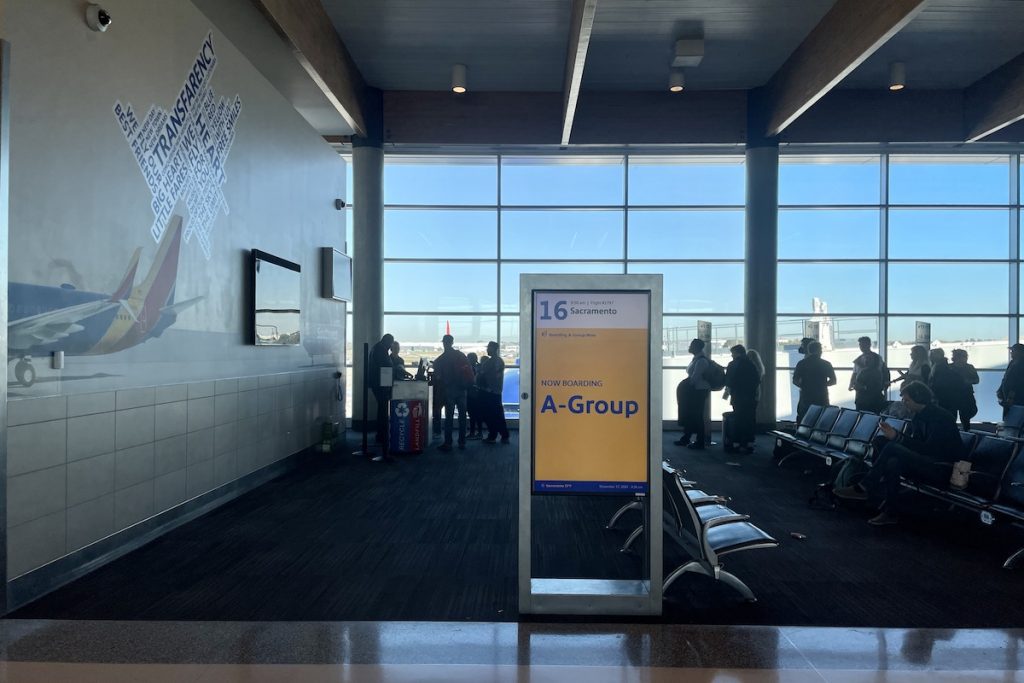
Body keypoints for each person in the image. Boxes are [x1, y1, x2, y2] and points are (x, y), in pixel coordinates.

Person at [834, 381, 965, 526]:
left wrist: (897, 437)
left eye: (907, 400)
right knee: (891, 459)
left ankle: (866, 486)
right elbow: (915, 445)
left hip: (941, 468)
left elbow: (931, 449)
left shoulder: (941, 418)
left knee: (892, 447)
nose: (904, 403)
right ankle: (890, 512)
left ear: (919, 398)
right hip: (926, 463)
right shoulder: (918, 417)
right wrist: (895, 435)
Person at [433, 334, 470, 452]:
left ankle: (448, 443)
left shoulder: (441, 359)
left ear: (444, 343)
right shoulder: (461, 355)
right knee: (462, 417)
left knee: (449, 417)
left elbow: (438, 376)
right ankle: (462, 442)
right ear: (452, 342)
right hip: (462, 389)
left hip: (449, 390)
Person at [675, 338, 710, 450]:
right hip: (696, 391)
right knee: (693, 415)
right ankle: (687, 438)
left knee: (697, 416)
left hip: (697, 392)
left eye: (691, 345)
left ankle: (699, 441)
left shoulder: (701, 361)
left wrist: (685, 387)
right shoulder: (697, 359)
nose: (689, 347)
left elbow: (695, 378)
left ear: (696, 347)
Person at [724, 344, 760, 453]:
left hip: (738, 396)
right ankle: (749, 443)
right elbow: (757, 380)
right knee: (749, 420)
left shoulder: (733, 364)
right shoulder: (752, 364)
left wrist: (727, 392)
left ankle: (737, 443)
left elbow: (729, 381)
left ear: (737, 353)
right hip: (750, 396)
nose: (731, 355)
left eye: (732, 353)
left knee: (739, 419)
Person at [792, 340, 837, 423]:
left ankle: (801, 434)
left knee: (804, 418)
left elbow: (795, 380)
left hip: (806, 396)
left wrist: (804, 386)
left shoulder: (802, 363)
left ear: (809, 350)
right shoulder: (826, 364)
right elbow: (833, 381)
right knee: (820, 420)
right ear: (820, 351)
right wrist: (822, 385)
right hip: (821, 396)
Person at [478, 341, 510, 444]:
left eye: (489, 348)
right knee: (496, 414)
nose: (487, 350)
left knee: (491, 414)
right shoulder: (498, 361)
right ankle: (502, 434)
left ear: (494, 348)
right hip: (494, 391)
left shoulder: (492, 362)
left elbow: (483, 375)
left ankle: (494, 435)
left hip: (490, 392)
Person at [369, 333, 395, 449]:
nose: (391, 347)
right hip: (380, 384)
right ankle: (382, 436)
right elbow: (385, 367)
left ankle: (381, 435)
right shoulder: (380, 350)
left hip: (378, 383)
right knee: (383, 410)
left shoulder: (378, 348)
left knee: (382, 409)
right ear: (388, 342)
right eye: (390, 344)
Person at [849, 337, 887, 413]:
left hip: (872, 391)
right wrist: (851, 383)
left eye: (863, 345)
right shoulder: (859, 358)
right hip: (861, 392)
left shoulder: (876, 358)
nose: (861, 347)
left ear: (869, 345)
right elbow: (855, 373)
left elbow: (880, 372)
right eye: (860, 345)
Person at [927, 348, 967, 418]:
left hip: (943, 396)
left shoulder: (939, 368)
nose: (930, 357)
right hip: (948, 397)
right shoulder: (943, 367)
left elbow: (938, 382)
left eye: (932, 355)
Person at [950, 349, 980, 430]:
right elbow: (976, 380)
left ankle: (964, 432)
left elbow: (976, 380)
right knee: (953, 417)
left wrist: (967, 381)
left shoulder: (950, 367)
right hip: (957, 396)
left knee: (965, 418)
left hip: (964, 396)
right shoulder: (968, 367)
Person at [997, 343, 1024, 419]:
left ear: (1019, 352)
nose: (1011, 353)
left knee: (1014, 420)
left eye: (1013, 351)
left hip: (1016, 400)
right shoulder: (1012, 363)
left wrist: (1011, 397)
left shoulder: (1021, 364)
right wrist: (1000, 390)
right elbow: (1006, 378)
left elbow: (1018, 382)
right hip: (1008, 398)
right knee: (1008, 417)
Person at [466, 352, 484, 439]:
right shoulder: (480, 367)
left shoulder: (470, 369)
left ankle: (473, 432)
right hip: (479, 394)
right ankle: (479, 432)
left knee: (472, 414)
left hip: (472, 394)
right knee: (477, 414)